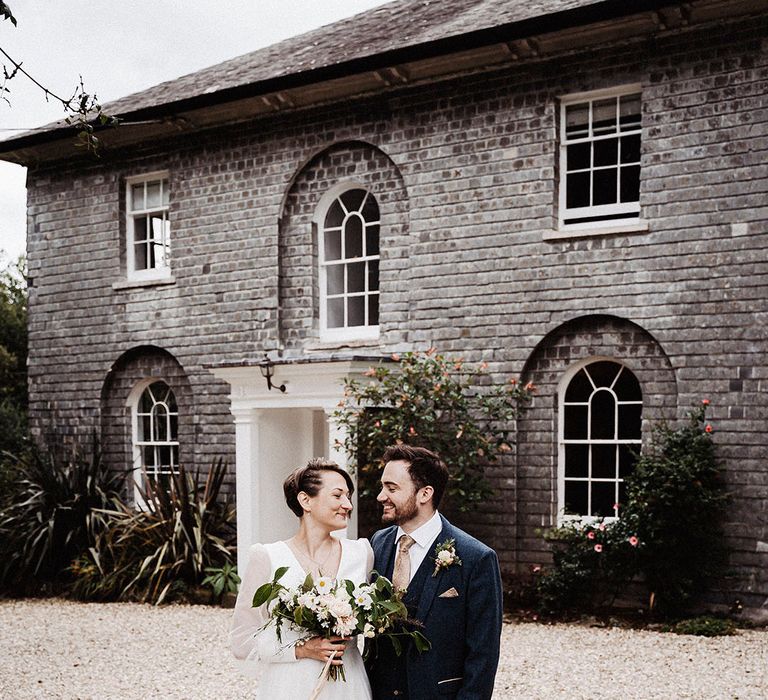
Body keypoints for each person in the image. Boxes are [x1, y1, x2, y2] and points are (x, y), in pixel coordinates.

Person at [366, 444, 503, 700]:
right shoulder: (378, 543)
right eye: (383, 486)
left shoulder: (476, 558)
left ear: (425, 494)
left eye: (391, 488)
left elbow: (483, 654)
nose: (380, 496)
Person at [230, 458, 373, 699]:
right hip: (290, 685)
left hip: (347, 684)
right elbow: (242, 641)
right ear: (305, 500)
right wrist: (302, 649)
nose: (348, 505)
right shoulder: (267, 557)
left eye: (348, 496)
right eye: (338, 496)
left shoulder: (361, 553)